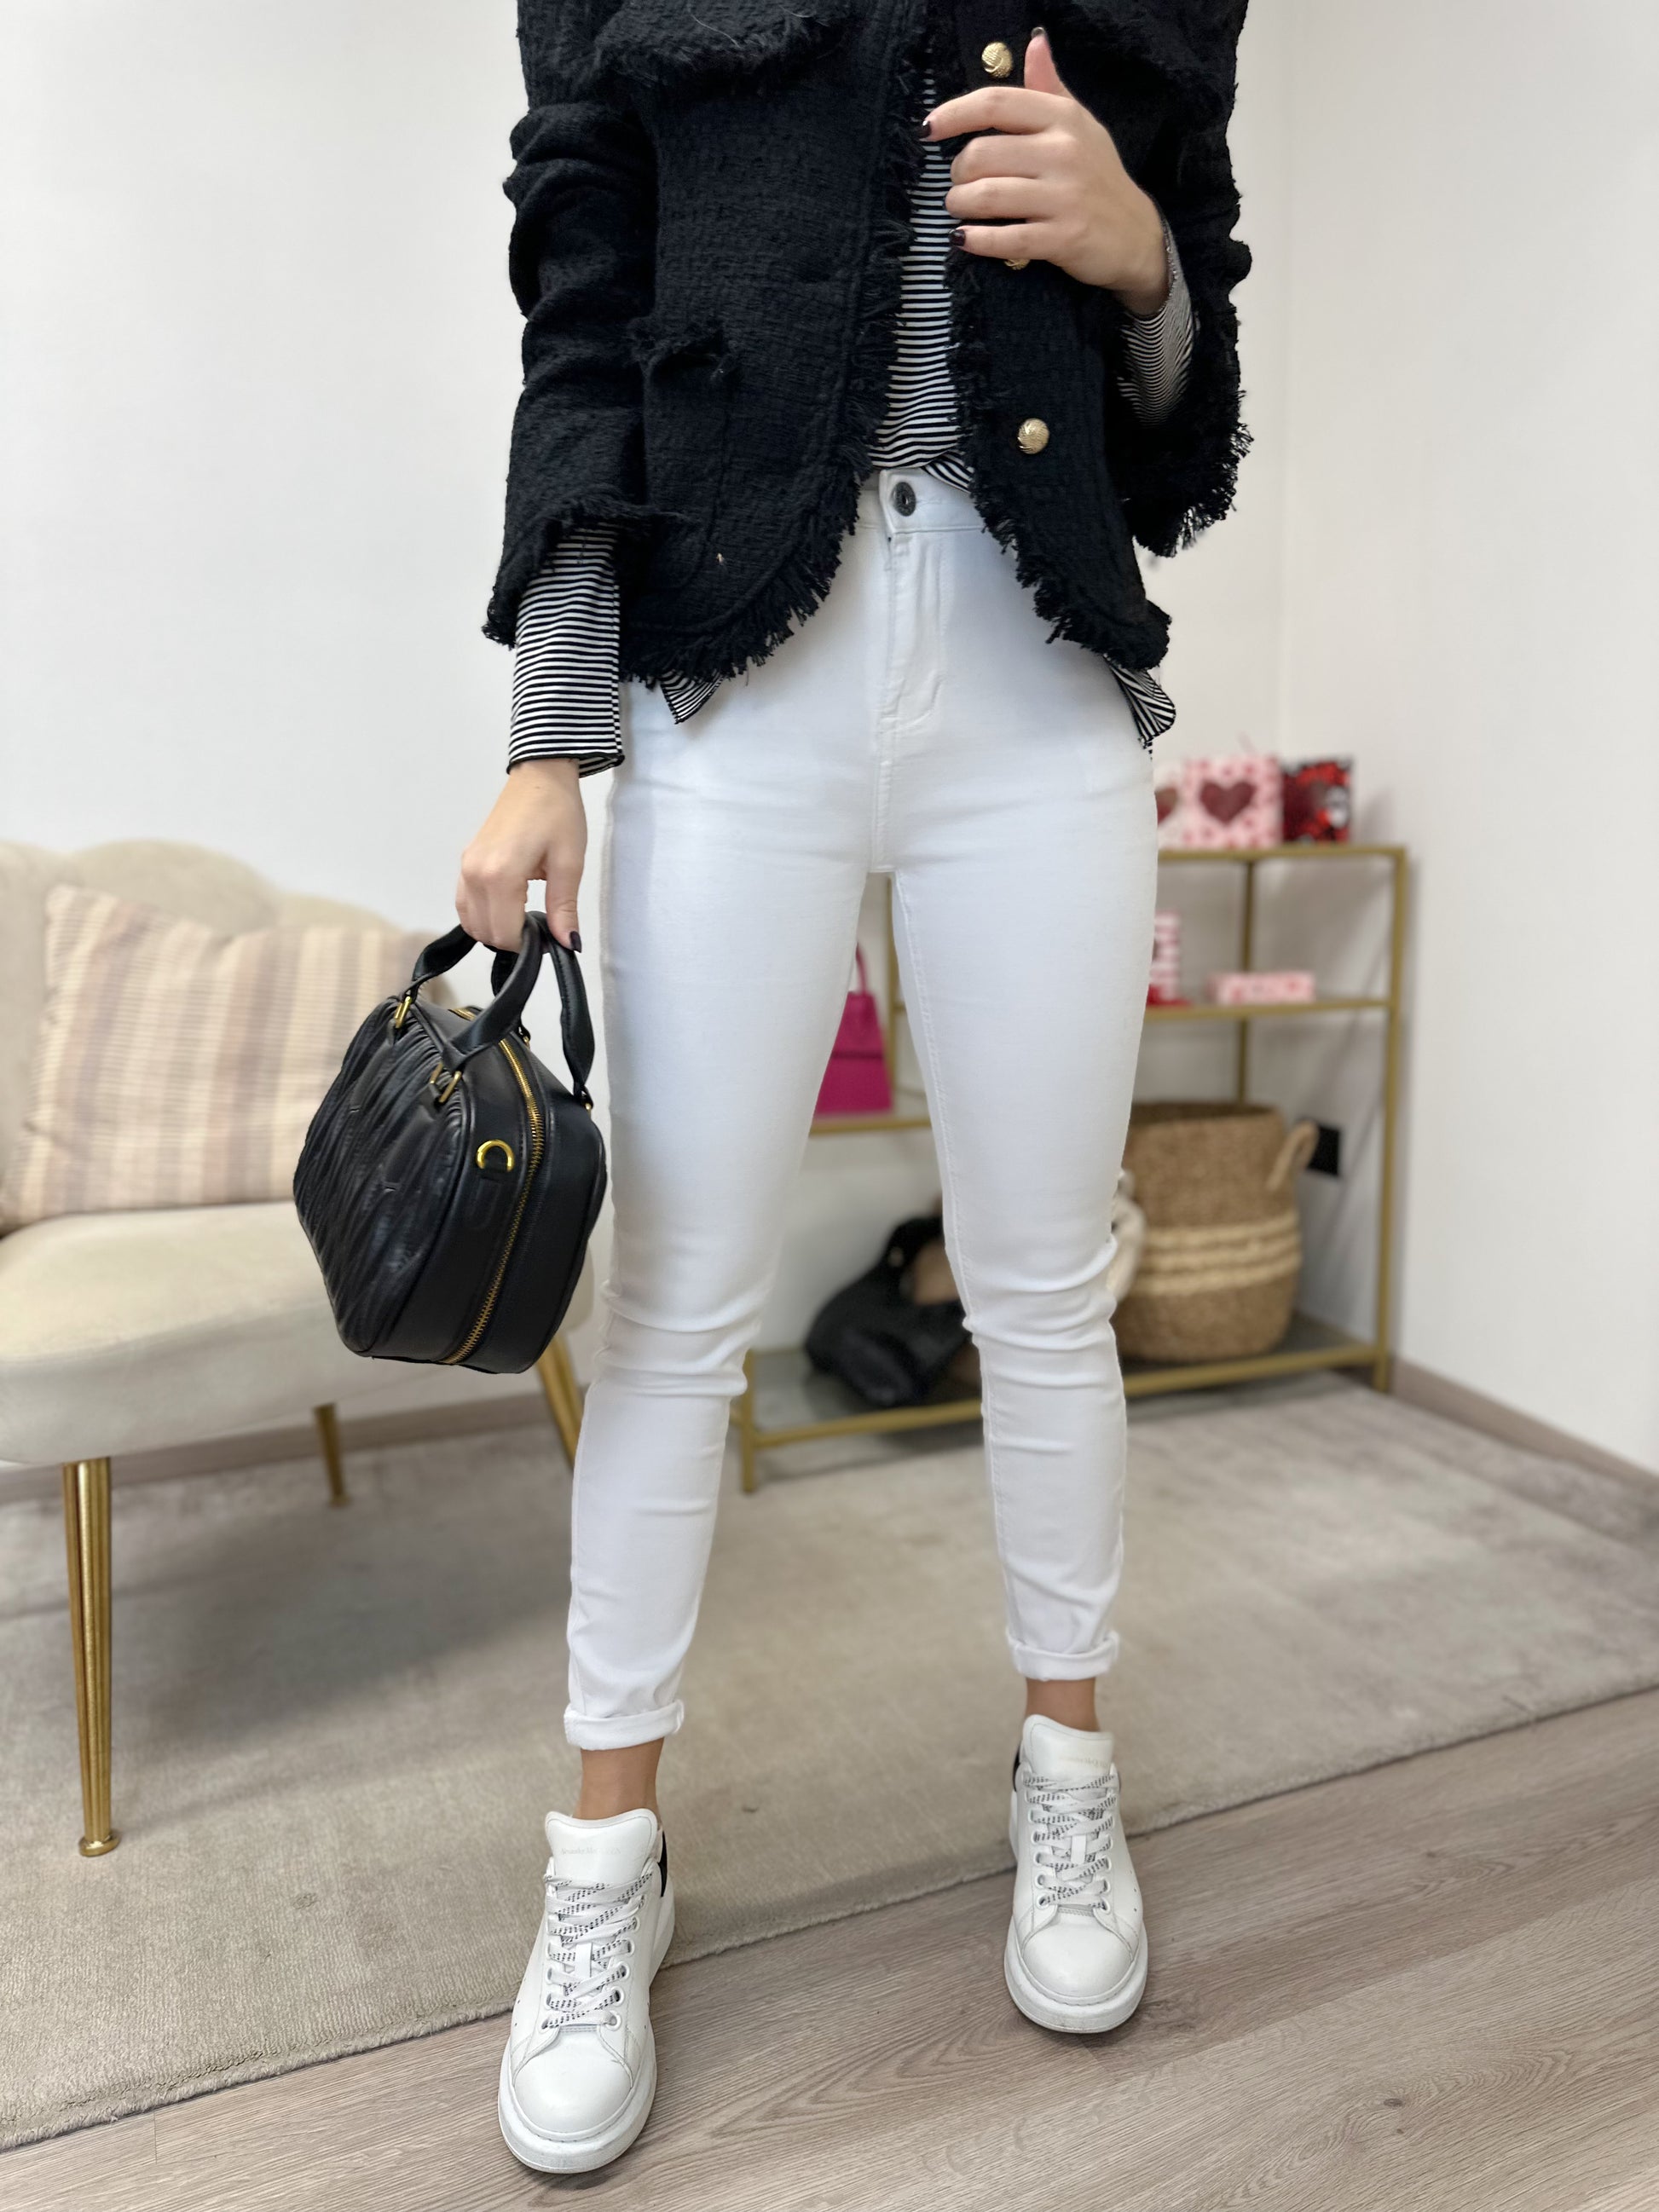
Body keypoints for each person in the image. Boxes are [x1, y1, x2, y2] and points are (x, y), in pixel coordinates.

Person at [459, 0, 1249, 2174]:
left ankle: (1066, 1777)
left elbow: (1182, 411)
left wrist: (1140, 263)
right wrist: (551, 733)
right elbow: (583, 296)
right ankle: (604, 1863)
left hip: (1034, 668)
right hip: (740, 676)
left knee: (1042, 1283)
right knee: (674, 1306)